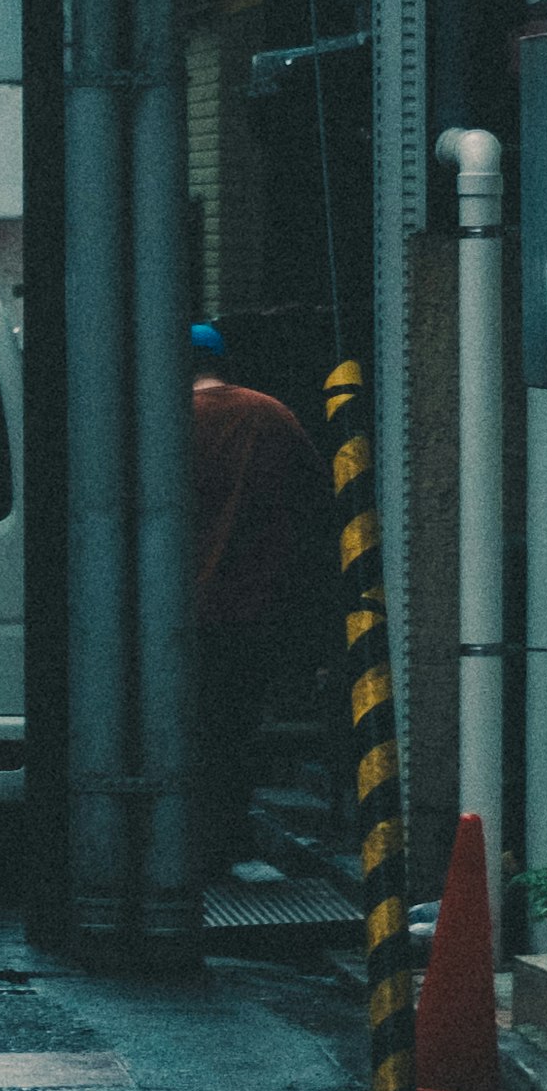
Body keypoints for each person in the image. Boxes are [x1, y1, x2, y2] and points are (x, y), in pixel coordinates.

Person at [189, 322, 327, 882]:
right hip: (252, 607)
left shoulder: (158, 419)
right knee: (231, 732)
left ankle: (179, 845)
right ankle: (219, 846)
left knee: (178, 732)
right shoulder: (270, 416)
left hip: (169, 614)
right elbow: (317, 505)